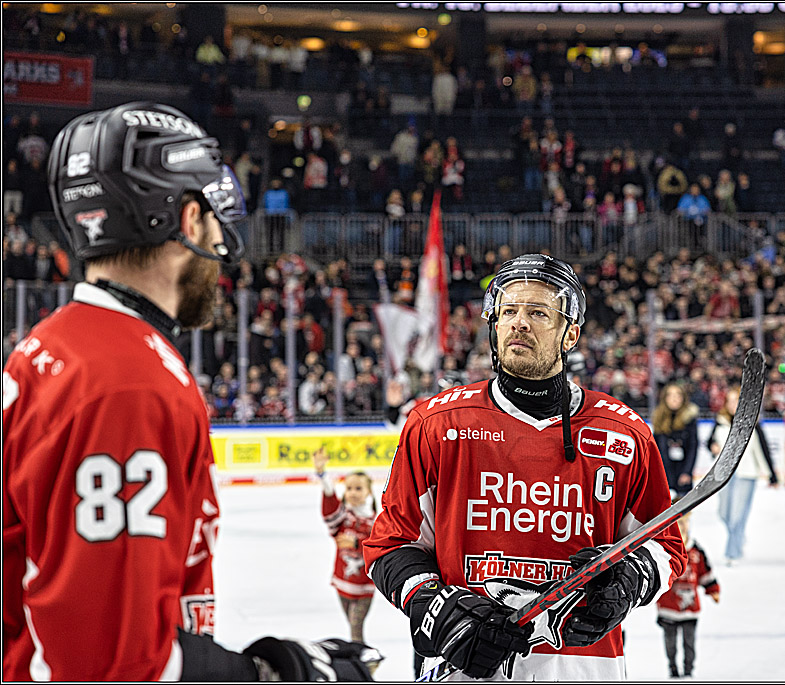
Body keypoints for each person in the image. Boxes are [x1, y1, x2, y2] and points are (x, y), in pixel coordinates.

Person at [3, 102, 376, 681]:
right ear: (185, 219)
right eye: (210, 213)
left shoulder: (56, 345)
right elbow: (111, 664)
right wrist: (272, 673)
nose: (224, 245)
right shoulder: (128, 385)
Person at [363, 254, 686, 680]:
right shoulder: (437, 425)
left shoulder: (623, 434)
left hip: (584, 668)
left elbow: (666, 545)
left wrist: (630, 579)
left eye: (537, 312)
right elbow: (389, 545)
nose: (518, 322)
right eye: (508, 311)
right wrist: (435, 607)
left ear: (570, 333)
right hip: (462, 667)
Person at [313, 450, 378, 646]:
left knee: (356, 629)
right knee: (352, 626)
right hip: (343, 581)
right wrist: (322, 474)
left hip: (364, 585)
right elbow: (330, 509)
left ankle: (364, 665)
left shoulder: (375, 520)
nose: (353, 493)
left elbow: (380, 547)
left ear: (368, 491)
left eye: (359, 488)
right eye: (349, 488)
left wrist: (357, 543)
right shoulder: (343, 517)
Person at [708, 385, 778, 565]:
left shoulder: (753, 424)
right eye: (730, 401)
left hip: (747, 473)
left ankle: (733, 553)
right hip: (724, 475)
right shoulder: (720, 422)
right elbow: (710, 443)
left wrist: (772, 475)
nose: (734, 404)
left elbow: (763, 450)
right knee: (724, 513)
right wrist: (713, 447)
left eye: (737, 400)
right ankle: (738, 537)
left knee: (737, 514)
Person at [656, 512, 720, 679]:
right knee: (670, 643)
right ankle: (673, 669)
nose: (682, 527)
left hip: (690, 607)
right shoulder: (663, 549)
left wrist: (713, 589)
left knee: (689, 643)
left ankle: (689, 671)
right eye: (678, 523)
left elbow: (705, 572)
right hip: (668, 606)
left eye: (685, 523)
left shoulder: (696, 551)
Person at [653, 383, 700, 498]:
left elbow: (693, 448)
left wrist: (687, 472)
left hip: (682, 472)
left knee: (682, 511)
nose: (674, 398)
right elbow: (655, 448)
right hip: (663, 473)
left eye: (677, 395)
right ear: (665, 398)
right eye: (670, 395)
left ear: (683, 398)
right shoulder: (659, 418)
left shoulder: (689, 419)